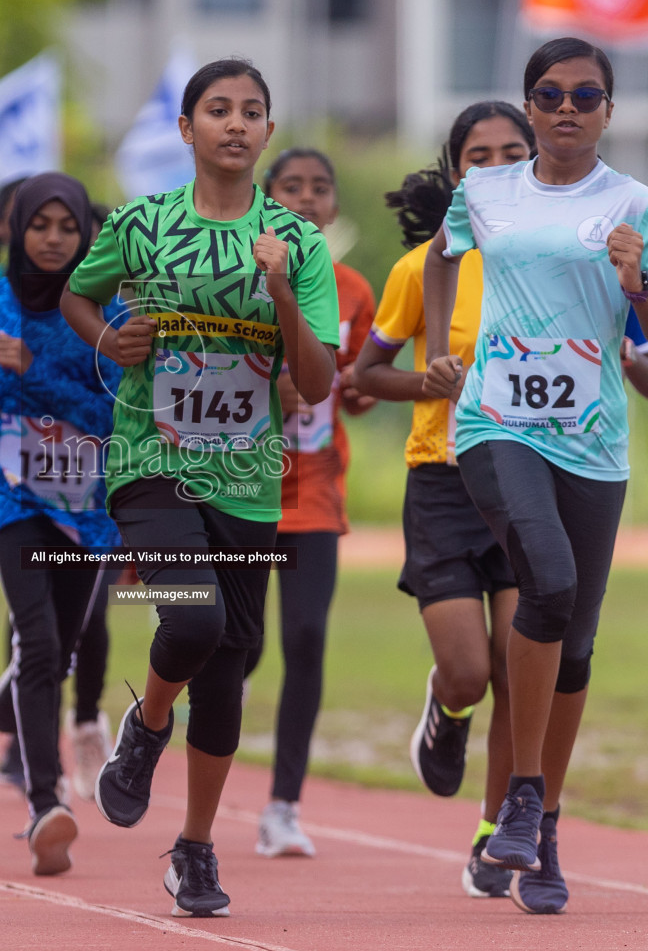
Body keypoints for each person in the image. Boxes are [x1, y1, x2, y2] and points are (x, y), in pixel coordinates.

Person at [354, 100, 648, 899]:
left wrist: (633, 311)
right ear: (456, 171)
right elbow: (366, 372)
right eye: (477, 156)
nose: (494, 167)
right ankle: (463, 729)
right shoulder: (438, 255)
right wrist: (424, 376)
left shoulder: (581, 238)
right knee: (472, 668)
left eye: (508, 152)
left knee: (534, 648)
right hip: (454, 465)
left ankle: (515, 825)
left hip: (578, 455)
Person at [421, 38, 648, 914]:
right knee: (547, 576)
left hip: (593, 445)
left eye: (585, 94)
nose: (566, 106)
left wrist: (636, 282)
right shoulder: (484, 191)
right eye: (549, 92)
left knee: (572, 641)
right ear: (529, 106)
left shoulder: (637, 204)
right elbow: (439, 255)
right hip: (497, 424)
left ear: (609, 110)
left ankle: (540, 828)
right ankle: (523, 799)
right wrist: (436, 347)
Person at [61, 58, 340, 918]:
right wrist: (110, 341)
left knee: (227, 673)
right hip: (151, 465)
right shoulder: (142, 224)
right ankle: (145, 726)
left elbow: (319, 377)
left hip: (249, 480)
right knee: (193, 618)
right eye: (216, 109)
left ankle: (194, 849)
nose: (235, 123)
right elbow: (77, 295)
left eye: (251, 111)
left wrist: (283, 292)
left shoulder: (295, 241)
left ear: (264, 132)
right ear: (186, 130)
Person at [0, 171, 121, 876]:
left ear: (86, 233)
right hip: (13, 492)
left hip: (85, 504)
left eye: (67, 227)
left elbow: (115, 409)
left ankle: (27, 698)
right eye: (39, 225)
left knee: (66, 640)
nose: (53, 240)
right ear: (14, 229)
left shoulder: (101, 305)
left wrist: (31, 378)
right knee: (40, 638)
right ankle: (44, 802)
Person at [243, 148, 376, 858]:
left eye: (318, 189)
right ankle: (178, 736)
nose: (304, 199)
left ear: (331, 204)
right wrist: (273, 388)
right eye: (289, 187)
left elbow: (360, 381)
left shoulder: (352, 289)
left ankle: (282, 806)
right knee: (239, 644)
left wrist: (348, 384)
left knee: (305, 639)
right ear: (266, 198)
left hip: (313, 488)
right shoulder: (230, 276)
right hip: (236, 483)